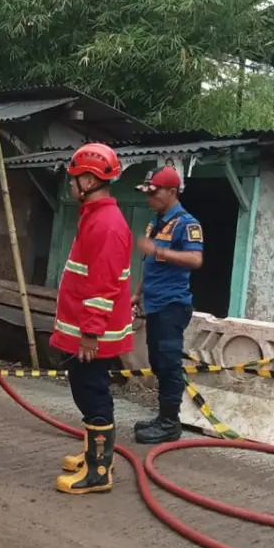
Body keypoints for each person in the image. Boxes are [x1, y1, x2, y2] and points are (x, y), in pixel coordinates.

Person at [50, 143, 133, 495]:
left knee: (93, 395)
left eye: (73, 179)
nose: (70, 185)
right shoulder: (95, 216)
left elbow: (102, 286)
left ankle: (99, 472)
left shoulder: (106, 225)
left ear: (88, 179)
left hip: (93, 337)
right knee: (86, 392)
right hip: (89, 332)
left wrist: (89, 334)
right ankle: (93, 455)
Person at [132, 165, 203, 444]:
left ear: (172, 192)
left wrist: (160, 250)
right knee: (159, 362)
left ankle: (170, 424)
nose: (149, 198)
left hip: (172, 305)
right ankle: (163, 417)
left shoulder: (187, 223)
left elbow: (196, 260)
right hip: (155, 304)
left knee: (169, 363)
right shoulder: (156, 222)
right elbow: (150, 265)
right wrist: (138, 294)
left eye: (154, 192)